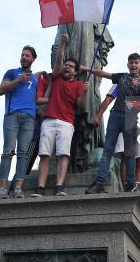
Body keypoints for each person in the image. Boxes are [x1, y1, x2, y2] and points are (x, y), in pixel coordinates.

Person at [84, 53, 140, 193]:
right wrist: (87, 69)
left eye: (138, 63)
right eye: (132, 62)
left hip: (133, 119)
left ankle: (131, 185)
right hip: (116, 115)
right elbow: (105, 78)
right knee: (109, 150)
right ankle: (100, 183)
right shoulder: (120, 78)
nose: (135, 65)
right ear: (128, 64)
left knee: (133, 155)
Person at [31, 34, 89, 197]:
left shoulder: (78, 85)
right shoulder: (56, 78)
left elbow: (81, 107)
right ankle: (40, 187)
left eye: (71, 66)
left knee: (63, 154)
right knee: (44, 154)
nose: (67, 67)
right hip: (48, 121)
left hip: (67, 122)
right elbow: (58, 61)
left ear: (75, 72)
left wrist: (84, 93)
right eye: (66, 65)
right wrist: (63, 43)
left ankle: (59, 186)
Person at [0, 46, 39, 199]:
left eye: (27, 55)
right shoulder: (11, 72)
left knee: (23, 154)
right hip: (12, 115)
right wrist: (18, 80)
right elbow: (1, 90)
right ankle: (3, 188)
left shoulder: (35, 78)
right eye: (22, 55)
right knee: (8, 150)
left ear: (33, 59)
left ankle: (18, 189)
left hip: (29, 118)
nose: (24, 57)